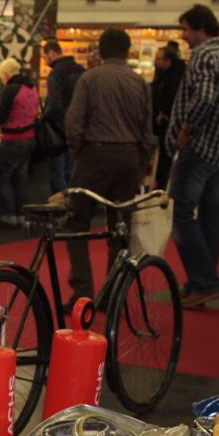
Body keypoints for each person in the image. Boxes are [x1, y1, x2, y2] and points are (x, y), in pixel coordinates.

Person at [64, 28, 153, 305]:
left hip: (95, 154)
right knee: (120, 227)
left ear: (100, 51)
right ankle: (113, 292)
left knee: (77, 223)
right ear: (127, 51)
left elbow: (74, 121)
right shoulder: (139, 82)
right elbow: (146, 128)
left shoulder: (90, 78)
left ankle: (83, 292)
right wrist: (142, 159)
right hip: (128, 157)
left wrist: (78, 151)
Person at [167, 5, 219, 307]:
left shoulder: (204, 56)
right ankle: (202, 281)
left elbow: (206, 97)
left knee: (181, 215)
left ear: (200, 28)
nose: (183, 36)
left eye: (186, 29)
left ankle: (204, 281)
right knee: (211, 220)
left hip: (201, 149)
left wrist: (186, 129)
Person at [0, 57, 38, 227]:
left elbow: (2, 115)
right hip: (30, 138)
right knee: (21, 177)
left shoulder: (11, 89)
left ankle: (9, 214)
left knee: (2, 176)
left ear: (6, 74)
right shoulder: (31, 87)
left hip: (12, 139)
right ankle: (24, 215)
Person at [43, 40, 85, 193]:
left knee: (58, 169)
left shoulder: (56, 74)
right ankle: (73, 204)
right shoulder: (81, 70)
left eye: (45, 56)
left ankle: (60, 206)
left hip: (59, 129)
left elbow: (55, 104)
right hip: (79, 127)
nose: (45, 60)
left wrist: (43, 120)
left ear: (52, 53)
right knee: (72, 169)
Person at [150, 44, 185, 190]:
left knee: (165, 157)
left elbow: (170, 96)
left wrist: (163, 112)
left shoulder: (174, 77)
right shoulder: (167, 74)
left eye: (159, 59)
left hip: (167, 123)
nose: (155, 61)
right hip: (164, 121)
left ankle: (163, 184)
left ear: (168, 61)